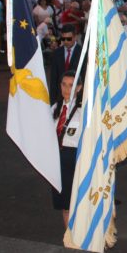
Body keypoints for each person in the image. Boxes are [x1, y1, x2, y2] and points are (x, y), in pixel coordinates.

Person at [51, 71, 82, 227]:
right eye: (64, 84)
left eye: (71, 85)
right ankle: (68, 238)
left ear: (79, 88)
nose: (66, 89)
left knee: (78, 202)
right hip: (58, 159)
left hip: (75, 159)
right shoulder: (55, 108)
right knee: (65, 204)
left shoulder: (83, 111)